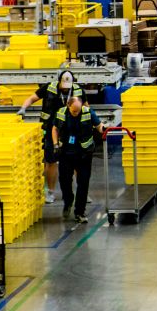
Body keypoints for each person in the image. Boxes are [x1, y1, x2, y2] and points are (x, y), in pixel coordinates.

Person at [17, 70, 83, 204]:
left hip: (71, 131)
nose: (66, 90)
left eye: (68, 87)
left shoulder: (78, 90)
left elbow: (86, 107)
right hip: (50, 129)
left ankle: (82, 192)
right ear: (59, 81)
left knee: (77, 162)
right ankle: (51, 192)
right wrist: (23, 108)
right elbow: (32, 98)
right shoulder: (49, 88)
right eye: (64, 86)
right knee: (51, 161)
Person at [51, 95, 104, 223]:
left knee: (83, 183)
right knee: (64, 180)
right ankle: (68, 201)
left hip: (84, 154)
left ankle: (80, 212)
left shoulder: (88, 112)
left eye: (78, 110)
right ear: (68, 106)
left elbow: (99, 126)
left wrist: (105, 130)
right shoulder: (61, 113)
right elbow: (55, 128)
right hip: (66, 153)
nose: (76, 113)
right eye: (74, 110)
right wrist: (55, 144)